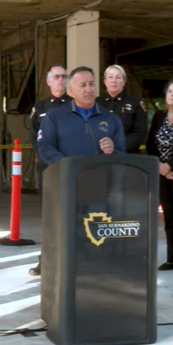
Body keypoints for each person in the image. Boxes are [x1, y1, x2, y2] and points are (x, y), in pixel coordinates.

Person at [32, 66, 126, 276]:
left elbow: (121, 152)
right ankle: (61, 272)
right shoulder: (55, 117)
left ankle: (95, 273)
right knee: (64, 233)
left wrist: (112, 150)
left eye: (92, 84)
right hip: (65, 185)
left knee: (94, 235)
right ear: (71, 90)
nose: (88, 89)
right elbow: (44, 147)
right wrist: (68, 168)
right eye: (82, 85)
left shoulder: (111, 120)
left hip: (98, 188)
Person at [145, 79, 173, 271]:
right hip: (161, 174)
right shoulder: (158, 116)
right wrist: (160, 166)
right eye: (169, 91)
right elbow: (150, 145)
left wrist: (170, 166)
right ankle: (172, 258)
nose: (171, 95)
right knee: (169, 217)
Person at [29, 64, 71, 192]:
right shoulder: (40, 107)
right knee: (48, 202)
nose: (60, 79)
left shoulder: (75, 105)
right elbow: (34, 135)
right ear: (48, 81)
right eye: (56, 76)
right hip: (46, 163)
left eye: (64, 76)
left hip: (69, 162)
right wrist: (45, 157)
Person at [97, 64, 148, 154]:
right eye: (110, 77)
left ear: (123, 81)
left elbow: (140, 133)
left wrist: (117, 145)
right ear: (105, 81)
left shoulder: (135, 103)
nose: (114, 81)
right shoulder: (96, 103)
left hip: (127, 155)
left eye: (118, 77)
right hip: (100, 155)